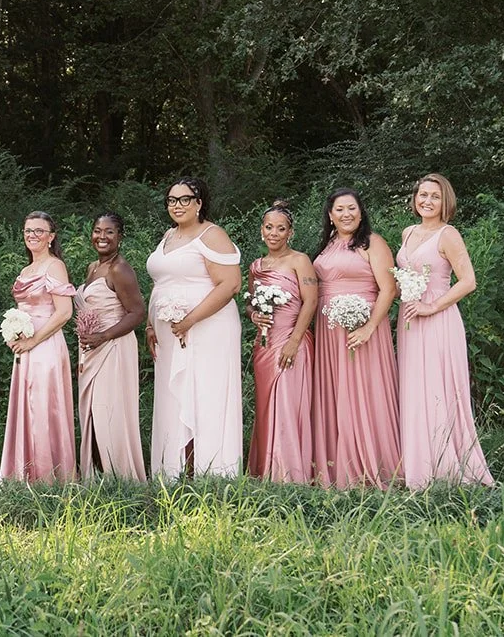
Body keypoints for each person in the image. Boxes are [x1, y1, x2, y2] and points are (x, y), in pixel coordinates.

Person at [397, 173, 494, 489]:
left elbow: (468, 281)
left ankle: (446, 465)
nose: (427, 201)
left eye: (434, 196)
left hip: (437, 320)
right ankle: (417, 464)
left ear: (445, 202)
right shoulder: (408, 232)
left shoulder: (448, 234)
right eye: (422, 194)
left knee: (438, 389)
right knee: (413, 389)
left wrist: (431, 306)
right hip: (408, 321)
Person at [144, 177, 243, 480]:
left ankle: (212, 470)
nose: (177, 205)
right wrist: (150, 323)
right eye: (172, 200)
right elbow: (162, 283)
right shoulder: (168, 236)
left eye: (185, 199)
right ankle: (173, 470)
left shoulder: (212, 235)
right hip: (170, 334)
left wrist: (190, 320)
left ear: (199, 203)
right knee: (174, 397)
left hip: (208, 329)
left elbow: (230, 284)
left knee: (205, 392)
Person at [312, 187, 402, 489]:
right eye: (339, 209)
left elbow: (389, 289)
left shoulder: (373, 243)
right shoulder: (327, 246)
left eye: (351, 208)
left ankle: (372, 463)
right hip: (328, 333)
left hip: (364, 329)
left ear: (361, 212)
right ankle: (336, 466)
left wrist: (368, 328)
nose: (346, 214)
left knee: (364, 391)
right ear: (330, 215)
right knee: (335, 391)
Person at [0, 211, 77, 482]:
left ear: (51, 237)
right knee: (28, 407)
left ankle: (48, 475)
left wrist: (32, 339)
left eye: (39, 231)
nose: (32, 235)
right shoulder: (25, 270)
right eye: (28, 230)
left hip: (45, 346)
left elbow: (64, 312)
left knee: (44, 408)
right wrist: (15, 332)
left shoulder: (54, 266)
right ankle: (25, 471)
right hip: (27, 348)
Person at [245, 200, 318, 484]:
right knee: (266, 406)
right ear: (262, 230)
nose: (273, 233)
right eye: (268, 227)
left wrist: (294, 341)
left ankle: (290, 475)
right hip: (264, 345)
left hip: (292, 341)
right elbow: (251, 304)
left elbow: (310, 301)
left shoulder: (300, 261)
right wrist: (253, 316)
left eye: (281, 228)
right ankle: (266, 470)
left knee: (288, 404)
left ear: (290, 232)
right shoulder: (256, 266)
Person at [74, 212, 148, 481]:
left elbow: (137, 313)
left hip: (114, 347)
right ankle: (96, 476)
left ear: (120, 237)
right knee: (91, 413)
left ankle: (119, 475)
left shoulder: (120, 269)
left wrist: (103, 336)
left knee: (108, 413)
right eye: (97, 231)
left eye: (109, 232)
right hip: (91, 349)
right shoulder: (92, 268)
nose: (101, 237)